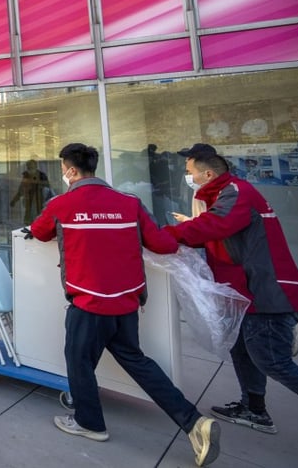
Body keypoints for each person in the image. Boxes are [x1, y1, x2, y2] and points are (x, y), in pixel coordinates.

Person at [27, 143, 219, 467]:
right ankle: (193, 421)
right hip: (127, 302)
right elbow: (161, 243)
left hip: (88, 302)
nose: (63, 174)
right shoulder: (129, 203)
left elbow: (38, 231)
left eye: (63, 169)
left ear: (71, 171)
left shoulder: (62, 204)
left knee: (78, 360)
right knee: (137, 360)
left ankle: (90, 423)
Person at [168, 146, 298, 434]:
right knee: (242, 350)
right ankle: (254, 409)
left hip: (265, 291)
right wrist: (192, 229)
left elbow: (216, 226)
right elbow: (217, 231)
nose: (188, 177)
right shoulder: (221, 196)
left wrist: (164, 234)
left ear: (207, 173)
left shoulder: (235, 192)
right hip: (245, 292)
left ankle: (255, 406)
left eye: (190, 172)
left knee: (272, 361)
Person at [10, 159, 50, 225]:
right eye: (29, 167)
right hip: (28, 202)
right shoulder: (26, 176)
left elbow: (48, 188)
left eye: (32, 167)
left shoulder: (42, 176)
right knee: (29, 220)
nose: (30, 169)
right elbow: (21, 190)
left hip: (39, 202)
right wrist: (14, 200)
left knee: (40, 219)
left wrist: (38, 183)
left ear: (36, 166)